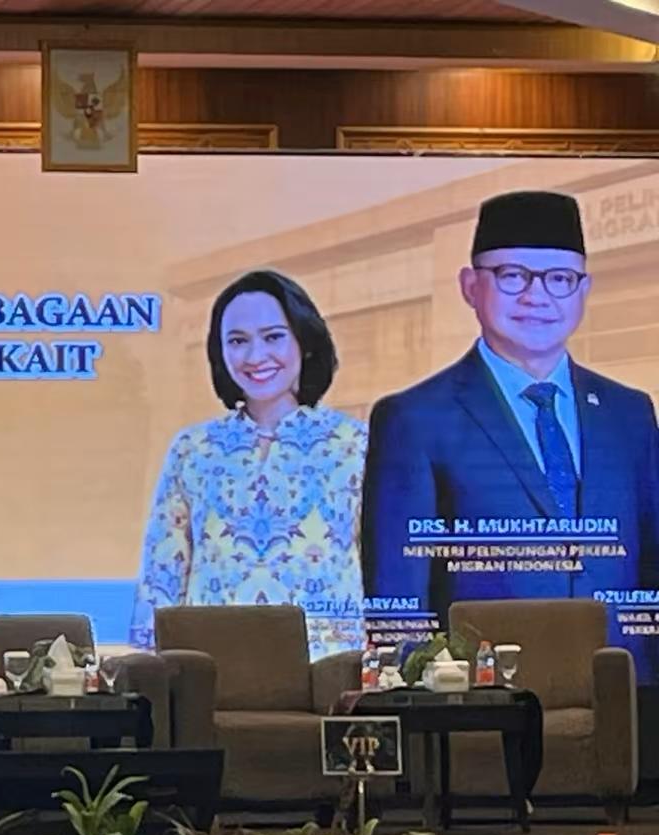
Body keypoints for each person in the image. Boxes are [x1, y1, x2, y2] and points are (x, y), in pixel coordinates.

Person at [361, 190, 659, 645]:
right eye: (512, 276)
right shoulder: (414, 419)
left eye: (560, 279)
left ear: (584, 290)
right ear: (470, 286)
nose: (536, 296)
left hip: (625, 680)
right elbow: (398, 607)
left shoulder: (630, 414)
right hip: (485, 684)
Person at [130, 269, 368, 659]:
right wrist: (149, 669)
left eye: (273, 337)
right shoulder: (193, 449)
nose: (256, 357)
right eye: (238, 341)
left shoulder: (355, 444)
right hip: (210, 665)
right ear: (220, 352)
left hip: (328, 664)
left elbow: (380, 570)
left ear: (304, 342)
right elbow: (162, 575)